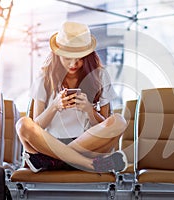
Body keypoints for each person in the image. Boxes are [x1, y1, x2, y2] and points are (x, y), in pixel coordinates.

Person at [16, 21, 128, 173]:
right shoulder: (44, 76)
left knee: (118, 121)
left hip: (87, 145)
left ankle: (54, 161)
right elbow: (37, 125)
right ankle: (89, 165)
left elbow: (105, 124)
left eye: (79, 58)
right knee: (23, 124)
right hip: (49, 144)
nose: (74, 63)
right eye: (68, 57)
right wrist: (55, 106)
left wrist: (89, 110)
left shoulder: (100, 75)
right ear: (58, 54)